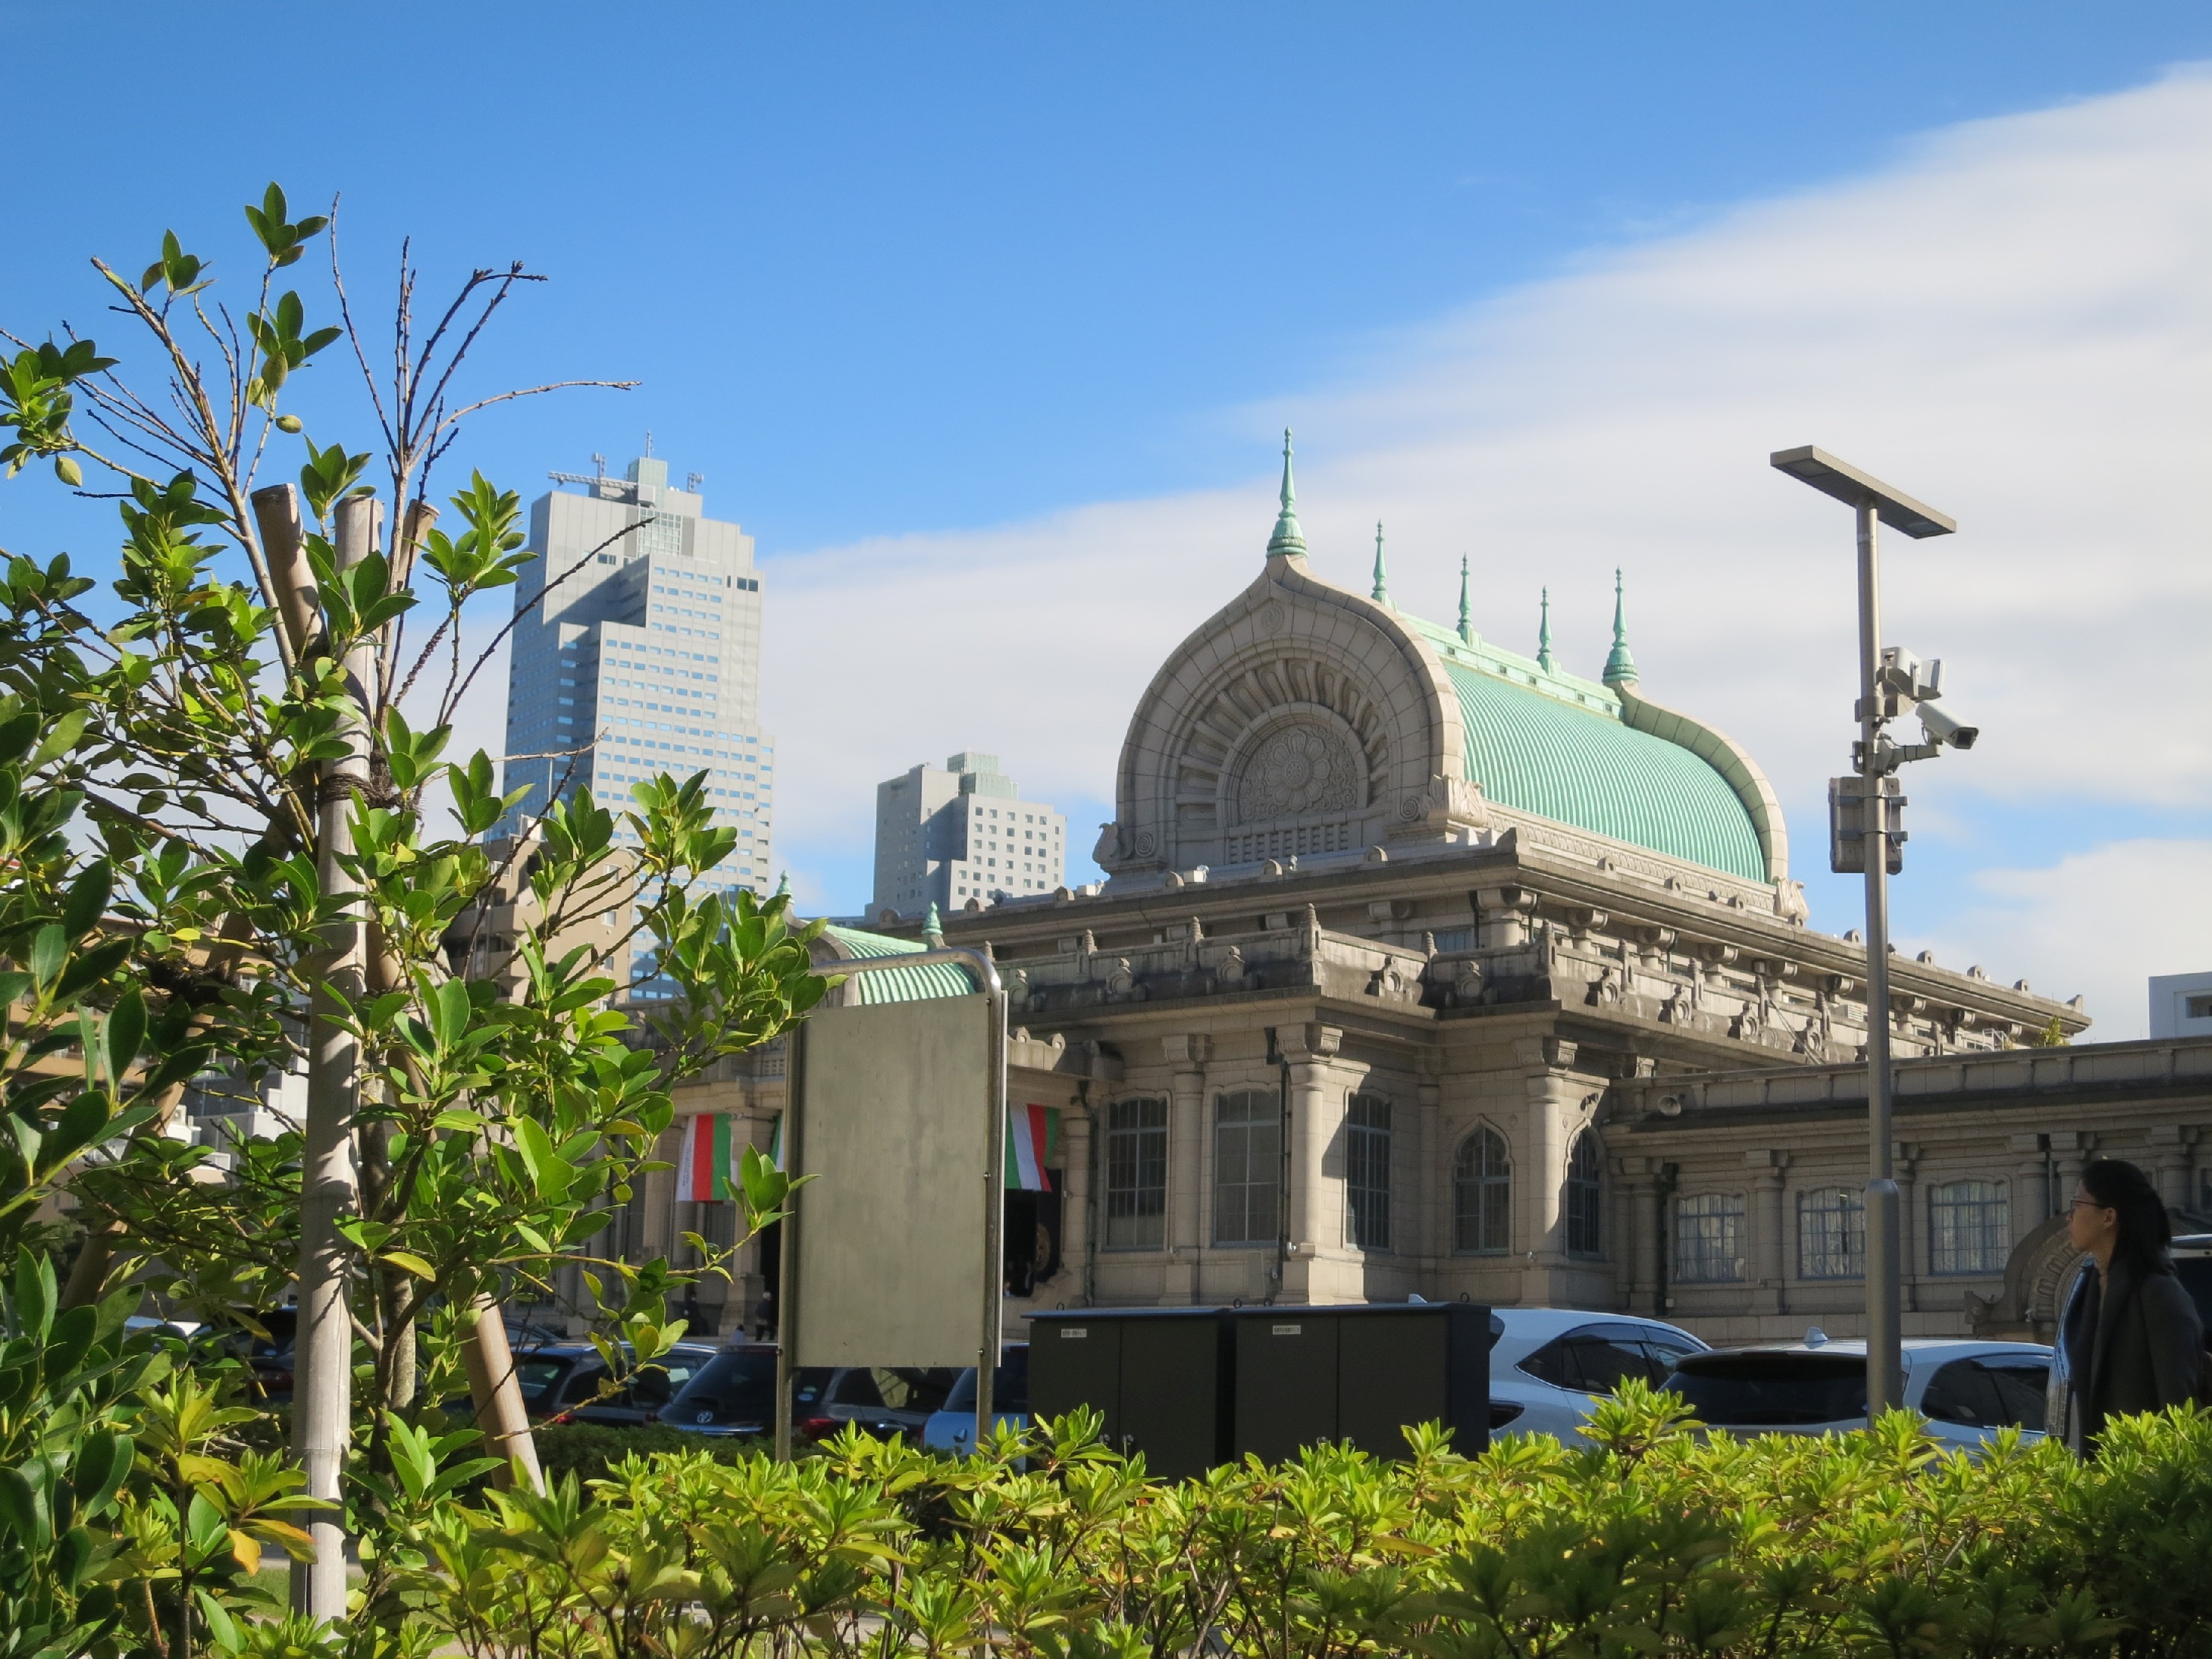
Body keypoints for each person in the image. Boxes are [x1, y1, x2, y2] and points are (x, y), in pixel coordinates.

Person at [2057, 1157, 2204, 1455]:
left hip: (2143, 1473)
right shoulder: (2089, 1287)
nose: (2068, 1218)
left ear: (2108, 1217)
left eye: (2077, 1204)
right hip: (2099, 1472)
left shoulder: (2159, 1293)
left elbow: (2179, 1409)